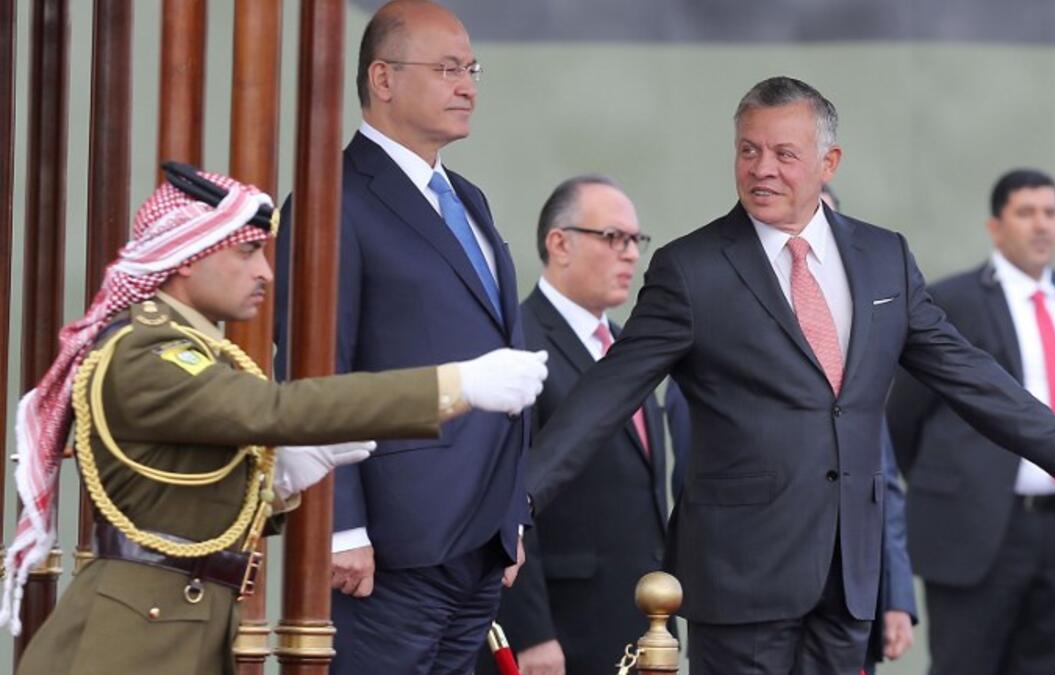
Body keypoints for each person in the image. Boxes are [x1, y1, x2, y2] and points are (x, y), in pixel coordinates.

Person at [523, 76, 1055, 675]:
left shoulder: (884, 258)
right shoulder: (690, 269)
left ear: (829, 163)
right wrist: (517, 505)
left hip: (848, 575)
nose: (762, 168)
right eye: (749, 150)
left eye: (785, 154)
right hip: (739, 577)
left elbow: (967, 374)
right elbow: (602, 398)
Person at [4, 164, 547, 675]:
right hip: (131, 640)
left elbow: (185, 489)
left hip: (179, 621)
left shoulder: (188, 348)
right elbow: (273, 411)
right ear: (189, 255)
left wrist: (274, 487)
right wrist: (453, 386)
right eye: (247, 252)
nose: (265, 271)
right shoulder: (144, 352)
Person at [273, 2, 532, 672]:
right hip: (386, 546)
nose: (468, 85)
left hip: (479, 541)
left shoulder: (468, 197)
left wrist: (513, 514)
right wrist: (340, 524)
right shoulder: (336, 197)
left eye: (471, 69)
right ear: (382, 80)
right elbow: (317, 369)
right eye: (448, 68)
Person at [887, 169, 1055, 675]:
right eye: (1025, 213)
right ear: (995, 226)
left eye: (1050, 213)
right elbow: (903, 418)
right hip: (976, 528)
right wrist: (952, 489)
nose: (1041, 225)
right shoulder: (952, 299)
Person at [477, 175, 669, 675]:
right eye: (613, 238)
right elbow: (505, 495)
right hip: (559, 629)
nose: (630, 254)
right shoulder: (518, 345)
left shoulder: (628, 348)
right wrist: (532, 633)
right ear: (559, 243)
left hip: (636, 622)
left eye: (635, 241)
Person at [817, 184, 917, 674]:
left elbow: (886, 485)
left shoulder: (862, 349)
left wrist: (896, 595)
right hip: (759, 607)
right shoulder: (723, 332)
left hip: (853, 598)